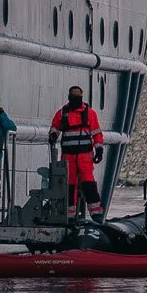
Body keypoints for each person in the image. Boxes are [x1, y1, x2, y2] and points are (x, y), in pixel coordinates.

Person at [50, 84, 105, 222]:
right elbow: (55, 127)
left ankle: (96, 213)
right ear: (69, 97)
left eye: (77, 96)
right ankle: (69, 214)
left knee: (89, 184)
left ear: (81, 97)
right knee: (69, 185)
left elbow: (96, 133)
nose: (75, 98)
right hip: (68, 157)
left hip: (84, 156)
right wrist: (53, 135)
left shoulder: (89, 113)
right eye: (73, 96)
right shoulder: (62, 113)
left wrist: (99, 148)